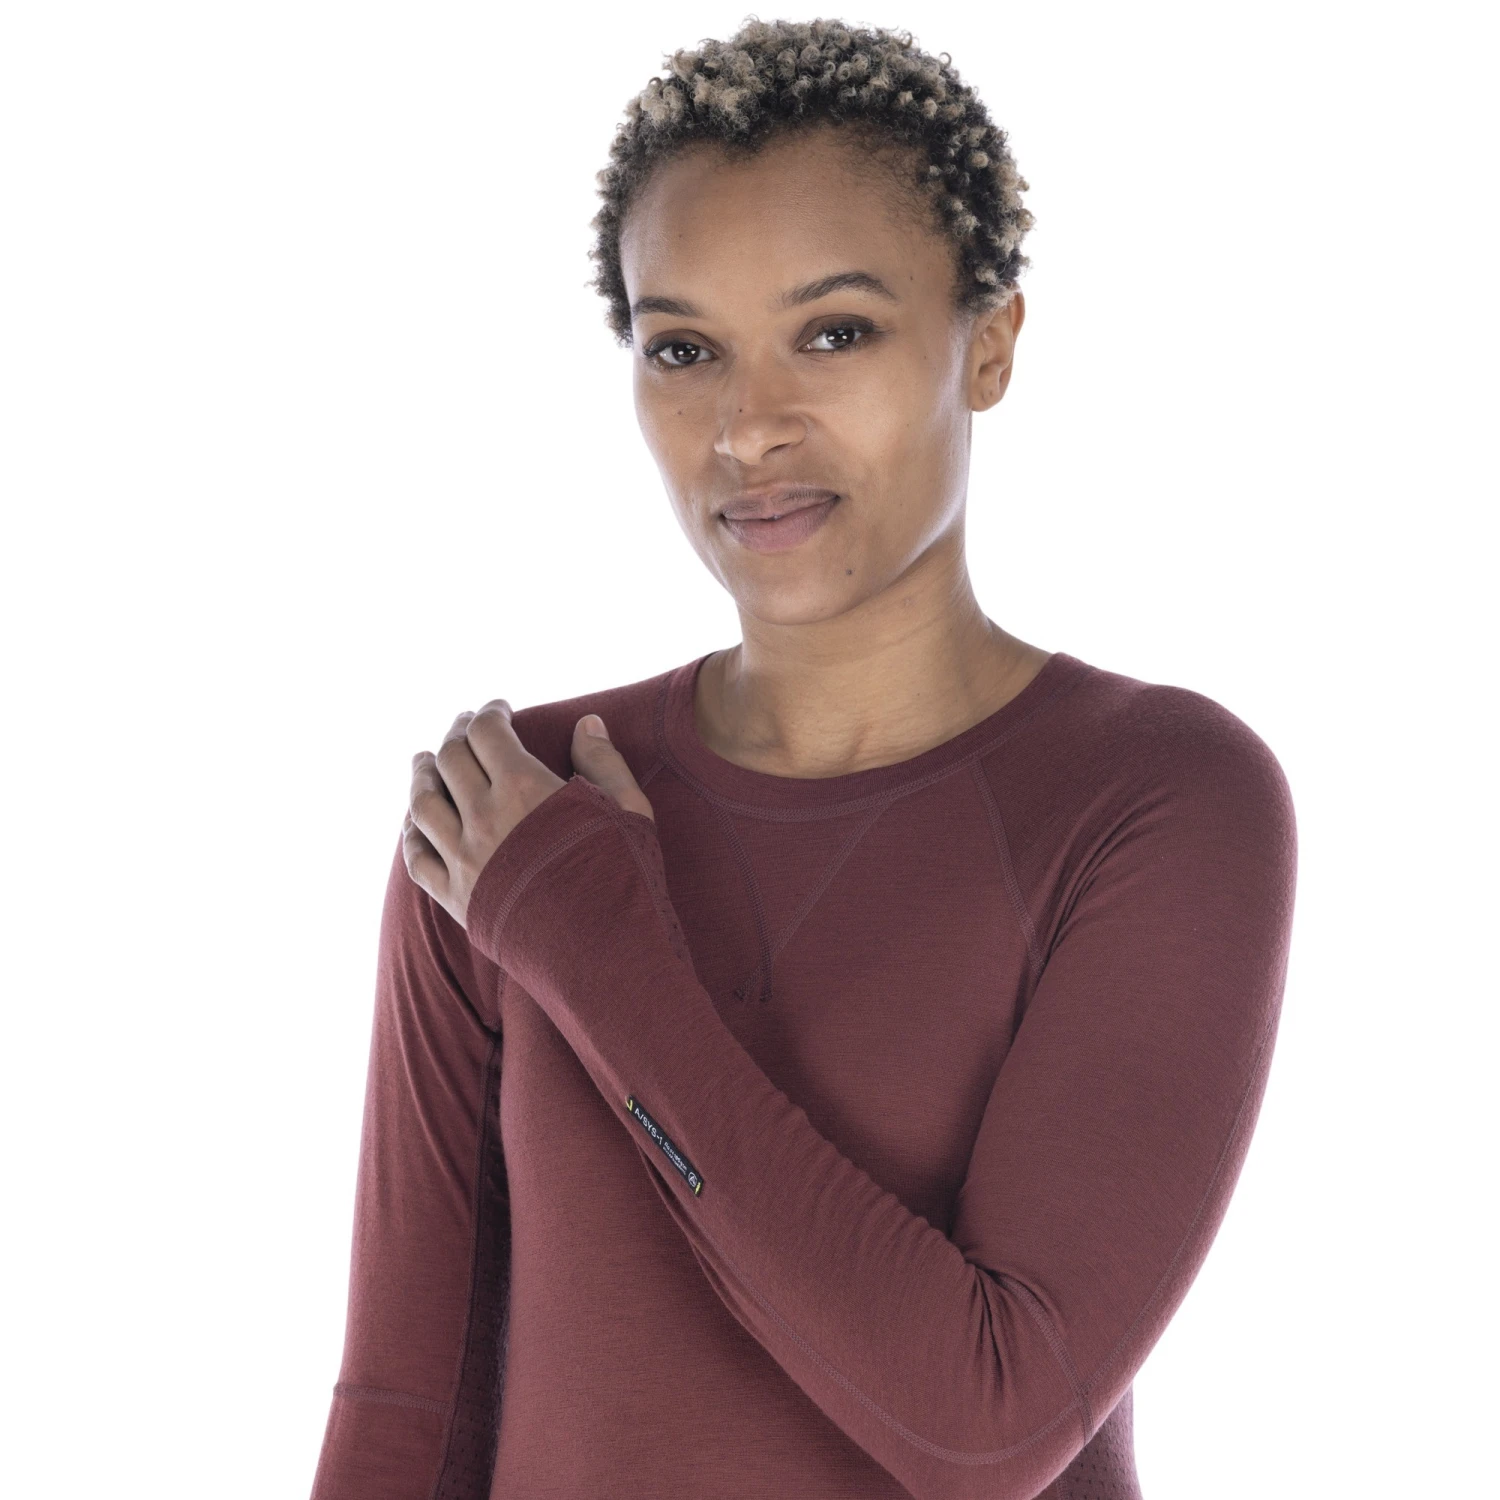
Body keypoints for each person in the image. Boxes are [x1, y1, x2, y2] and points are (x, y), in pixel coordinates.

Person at [308, 18, 1297, 1500]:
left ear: (991, 343)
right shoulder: (512, 808)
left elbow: (986, 1424)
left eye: (835, 333)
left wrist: (594, 948)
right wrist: (543, 903)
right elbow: (404, 1407)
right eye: (684, 349)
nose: (748, 428)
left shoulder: (1156, 799)